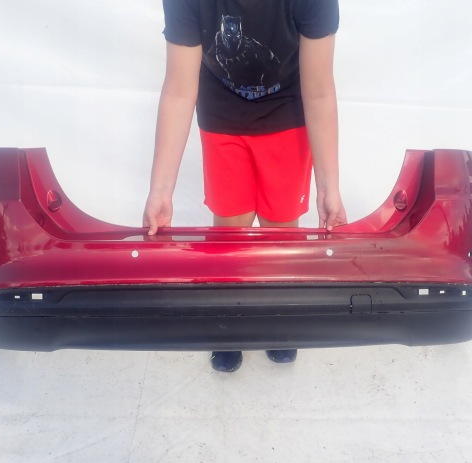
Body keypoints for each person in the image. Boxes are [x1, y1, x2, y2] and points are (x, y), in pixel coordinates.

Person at [143, 0, 348, 372]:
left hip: (287, 113)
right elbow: (178, 91)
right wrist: (160, 190)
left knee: (281, 230)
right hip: (222, 115)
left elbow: (319, 91)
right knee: (231, 230)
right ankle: (229, 322)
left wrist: (328, 186)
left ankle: (277, 317)